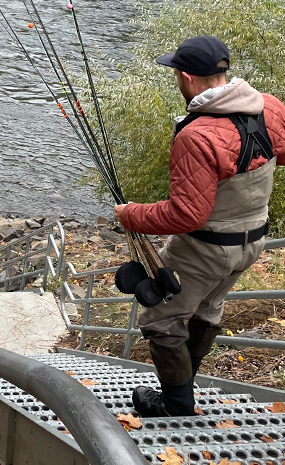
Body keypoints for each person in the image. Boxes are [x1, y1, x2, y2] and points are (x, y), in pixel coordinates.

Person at [114, 35, 285, 417]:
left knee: (160, 318)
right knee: (207, 309)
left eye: (176, 73)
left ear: (187, 77)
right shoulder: (267, 106)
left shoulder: (196, 135)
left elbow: (186, 215)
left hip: (205, 248)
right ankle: (185, 389)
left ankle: (176, 403)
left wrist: (130, 214)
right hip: (252, 241)